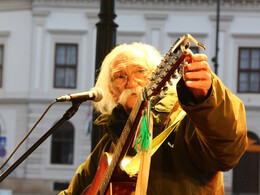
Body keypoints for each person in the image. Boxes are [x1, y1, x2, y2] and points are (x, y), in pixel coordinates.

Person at [60, 40, 248, 194]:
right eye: (120, 76)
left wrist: (208, 97)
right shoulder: (108, 144)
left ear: (157, 77)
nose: (131, 82)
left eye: (140, 71)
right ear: (111, 91)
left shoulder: (185, 123)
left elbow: (227, 152)